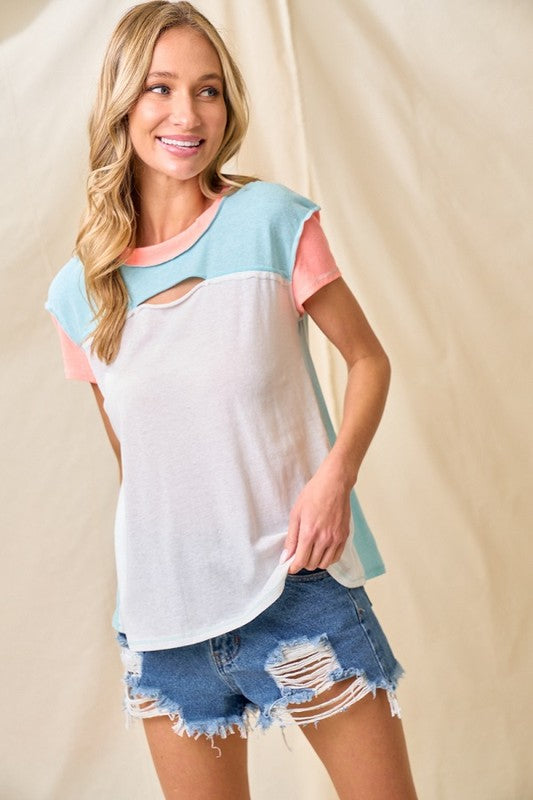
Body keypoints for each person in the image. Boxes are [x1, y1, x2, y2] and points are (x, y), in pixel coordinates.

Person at [44, 2, 418, 798]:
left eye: (207, 90)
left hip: (295, 587)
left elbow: (368, 360)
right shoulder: (80, 293)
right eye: (160, 88)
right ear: (122, 103)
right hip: (164, 619)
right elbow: (136, 461)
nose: (187, 114)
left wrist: (334, 478)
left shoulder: (271, 221)